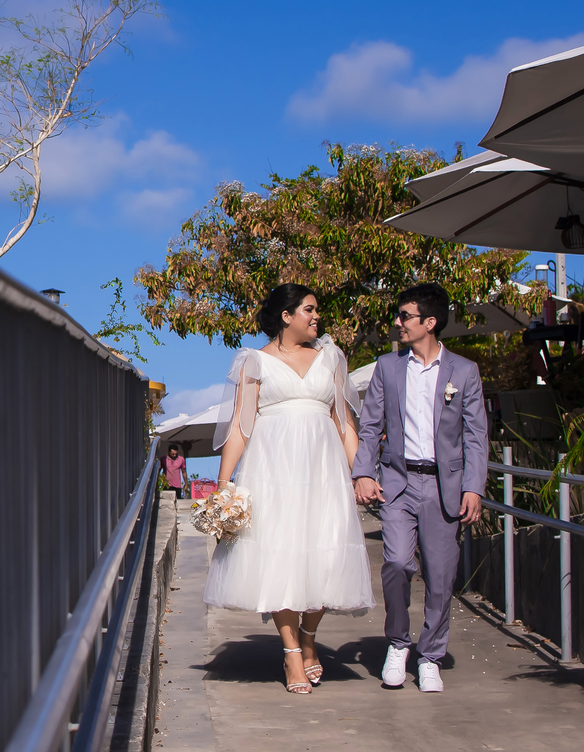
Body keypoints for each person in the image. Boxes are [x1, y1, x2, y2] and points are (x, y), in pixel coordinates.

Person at [204, 283, 375, 695]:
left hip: (324, 471)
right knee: (279, 557)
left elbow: (343, 423)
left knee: (327, 554)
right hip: (273, 471)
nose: (317, 317)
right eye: (309, 310)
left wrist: (363, 473)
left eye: (317, 310)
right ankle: (292, 653)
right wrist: (224, 484)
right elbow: (241, 426)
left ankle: (309, 636)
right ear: (287, 316)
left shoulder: (331, 357)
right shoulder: (254, 361)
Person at [350, 283, 486, 693]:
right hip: (399, 482)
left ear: (429, 322)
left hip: (445, 487)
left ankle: (430, 656)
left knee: (441, 576)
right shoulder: (387, 368)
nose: (398, 323)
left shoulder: (464, 371)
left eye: (405, 316)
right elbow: (370, 425)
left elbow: (476, 435)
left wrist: (474, 487)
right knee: (396, 563)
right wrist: (363, 472)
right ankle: (398, 643)